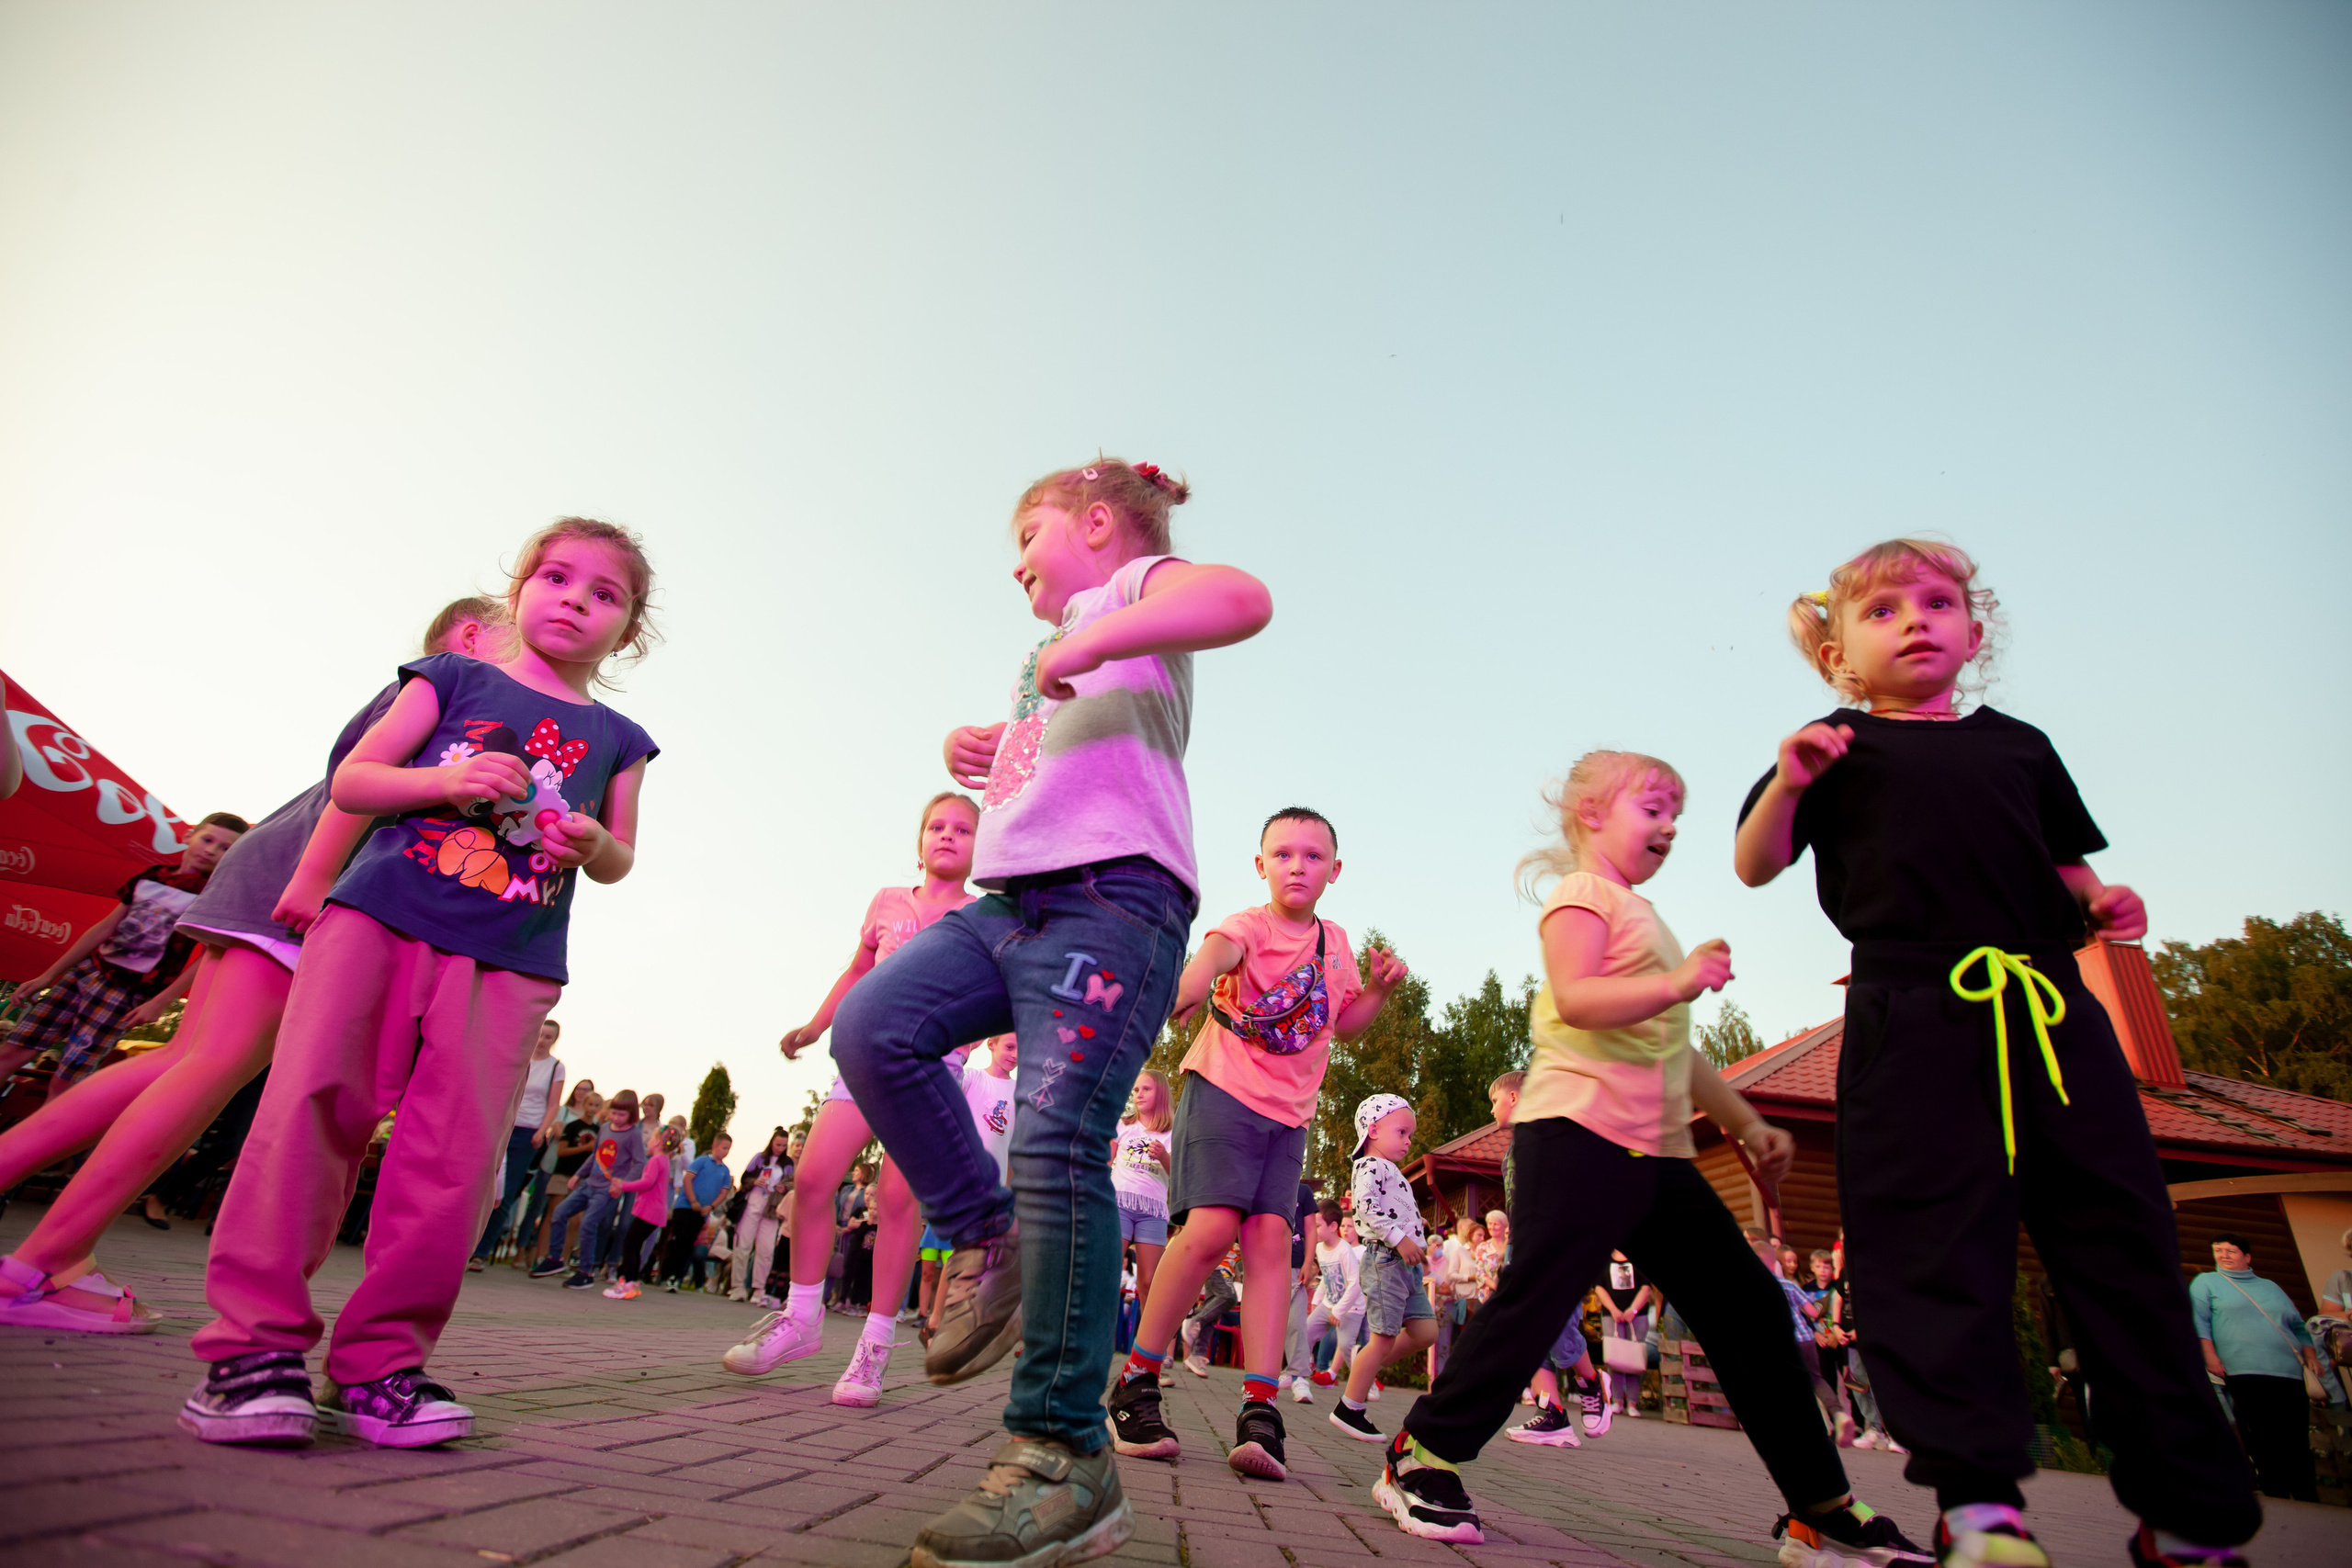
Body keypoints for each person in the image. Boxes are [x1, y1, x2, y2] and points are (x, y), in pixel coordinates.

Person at [1735, 539, 2258, 1568]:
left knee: (2121, 1244)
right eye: (1883, 611)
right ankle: (1978, 1502)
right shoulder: (1831, 744)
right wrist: (1786, 784)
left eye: (1939, 603)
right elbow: (1756, 864)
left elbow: (2065, 867)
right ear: (1839, 649)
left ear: (1975, 631)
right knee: (1931, 1252)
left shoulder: (2020, 745)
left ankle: (2184, 1510)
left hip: (2049, 1013)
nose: (1917, 620)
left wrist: (2100, 902)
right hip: (1912, 1011)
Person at [831, 457, 1272, 1568]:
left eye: (1027, 535)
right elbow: (1051, 744)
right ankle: (986, 1236)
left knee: (1057, 1142)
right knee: (874, 1029)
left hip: (1113, 899)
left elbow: (1244, 600)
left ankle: (1061, 1458)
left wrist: (1088, 639)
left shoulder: (1132, 594)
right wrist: (972, 749)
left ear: (1093, 525)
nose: (1016, 564)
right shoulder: (1053, 645)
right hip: (1013, 903)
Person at [1373, 751, 1923, 1568]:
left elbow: (1678, 1052)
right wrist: (1680, 981)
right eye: (1654, 807)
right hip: (1574, 1133)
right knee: (1540, 1295)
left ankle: (1819, 1505)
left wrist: (1747, 1124)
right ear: (1592, 813)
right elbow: (1578, 997)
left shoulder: (1644, 915)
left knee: (1749, 1308)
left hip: (1654, 1153)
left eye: (1677, 815)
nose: (1668, 826)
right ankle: (1419, 1452)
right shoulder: (1581, 896)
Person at [180, 517, 658, 1449]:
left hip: (511, 957)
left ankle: (379, 1367)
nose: (575, 599)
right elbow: (354, 782)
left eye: (605, 594)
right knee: (315, 1110)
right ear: (518, 590)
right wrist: (449, 782)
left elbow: (620, 858)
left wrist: (594, 841)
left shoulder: (623, 739)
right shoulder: (449, 679)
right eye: (556, 577)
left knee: (452, 1159)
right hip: (378, 922)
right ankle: (253, 1348)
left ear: (628, 629)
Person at [0, 599, 508, 1332]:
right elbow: (355, 782)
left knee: (180, 1060)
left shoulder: (447, 697)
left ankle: (46, 1245)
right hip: (303, 885)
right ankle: (42, 1263)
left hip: (272, 869)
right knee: (211, 1066)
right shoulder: (453, 681)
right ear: (469, 637)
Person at [1109, 805, 1408, 1480]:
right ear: (1260, 865)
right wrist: (1183, 987)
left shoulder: (1337, 941)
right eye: (1283, 854)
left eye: (1312, 854)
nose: (1297, 865)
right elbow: (1213, 955)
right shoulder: (1250, 924)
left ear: (1335, 869)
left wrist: (1382, 991)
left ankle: (1261, 1408)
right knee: (1212, 1228)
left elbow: (1347, 1021)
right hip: (1223, 1089)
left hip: (1290, 1115)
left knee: (1272, 1241)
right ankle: (1135, 1382)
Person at [719, 790, 981, 1406]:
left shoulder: (981, 915)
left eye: (963, 829)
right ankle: (801, 1319)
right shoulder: (887, 902)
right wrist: (815, 1026)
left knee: (897, 1198)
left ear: (979, 849)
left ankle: (873, 1349)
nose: (947, 835)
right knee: (812, 1181)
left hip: (932, 1067)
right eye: (936, 825)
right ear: (918, 842)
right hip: (865, 1056)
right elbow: (858, 970)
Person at [0, 811, 249, 1097]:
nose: (210, 850)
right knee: (11, 1053)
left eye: (225, 848)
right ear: (189, 836)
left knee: (68, 1079)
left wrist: (160, 1002)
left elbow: (210, 954)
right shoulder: (151, 877)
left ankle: (42, 1140)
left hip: (126, 993)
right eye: (207, 839)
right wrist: (48, 975)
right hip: (86, 974)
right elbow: (104, 928)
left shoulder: (214, 897)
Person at [1327, 1095, 1436, 1448]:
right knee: (1384, 1336)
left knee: (1426, 1331)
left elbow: (1392, 1210)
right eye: (1402, 1132)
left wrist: (1414, 1233)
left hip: (1405, 1263)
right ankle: (1350, 1406)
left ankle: (1366, 1362)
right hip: (1386, 1260)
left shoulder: (1390, 1169)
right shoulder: (1370, 1167)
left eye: (1410, 1135)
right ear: (1373, 1130)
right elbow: (1367, 1210)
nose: (1407, 1141)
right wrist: (1402, 1239)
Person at [2190, 1233, 2320, 1504]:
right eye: (2218, 1250)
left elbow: (2298, 1326)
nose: (2224, 1255)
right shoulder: (2206, 1282)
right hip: (2243, 1371)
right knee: (2261, 1434)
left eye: (2231, 1251)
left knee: (2295, 1436)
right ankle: (2277, 1493)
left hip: (2288, 1373)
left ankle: (2307, 1496)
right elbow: (2199, 1323)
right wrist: (2210, 1357)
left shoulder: (2271, 1287)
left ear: (2247, 1257)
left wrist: (2311, 1356)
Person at [468, 1019, 565, 1270]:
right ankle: (463, 1242)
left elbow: (554, 1104)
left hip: (527, 1132)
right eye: (540, 1034)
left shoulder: (556, 1068)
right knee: (479, 1183)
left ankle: (481, 1251)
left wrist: (541, 1131)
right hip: (501, 1125)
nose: (542, 1040)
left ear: (554, 1041)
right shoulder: (519, 1056)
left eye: (548, 1037)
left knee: (506, 1193)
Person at [536, 1089, 644, 1285]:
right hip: (589, 1184)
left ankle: (586, 1272)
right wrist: (578, 1174)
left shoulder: (633, 1135)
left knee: (588, 1224)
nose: (616, 1118)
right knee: (559, 1213)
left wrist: (623, 1184)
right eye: (614, 1113)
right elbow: (595, 1155)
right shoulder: (604, 1128)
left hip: (607, 1190)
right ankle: (555, 1259)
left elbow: (639, 1163)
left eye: (622, 1114)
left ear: (632, 1114)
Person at [1106, 1070, 1175, 1376]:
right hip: (1119, 1202)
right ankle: (1096, 1346)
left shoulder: (1173, 1131)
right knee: (1109, 1274)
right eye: (1135, 1089)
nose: (1138, 1093)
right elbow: (1106, 1160)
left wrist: (1164, 1158)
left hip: (1154, 1209)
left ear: (1160, 1093)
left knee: (1149, 1283)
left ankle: (1146, 1357)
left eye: (1145, 1088)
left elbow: (1179, 1173)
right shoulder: (1124, 1126)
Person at [604, 1125, 677, 1301]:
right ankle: (632, 1282)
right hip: (654, 1211)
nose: (649, 1143)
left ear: (658, 1142)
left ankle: (627, 1284)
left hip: (649, 1211)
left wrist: (623, 1185)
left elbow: (647, 1182)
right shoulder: (664, 1160)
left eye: (651, 1139)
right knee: (634, 1245)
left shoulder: (656, 1160)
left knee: (630, 1244)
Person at [729, 1128, 794, 1304]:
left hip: (771, 1208)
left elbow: (791, 1184)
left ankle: (759, 1288)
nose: (780, 1148)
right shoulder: (760, 1158)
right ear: (772, 1142)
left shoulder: (787, 1163)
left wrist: (783, 1187)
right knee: (743, 1245)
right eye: (777, 1144)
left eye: (783, 1145)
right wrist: (755, 1181)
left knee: (765, 1250)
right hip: (754, 1202)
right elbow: (745, 1178)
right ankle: (738, 1287)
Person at [666, 1132, 733, 1291]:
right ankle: (669, 1274)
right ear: (714, 1146)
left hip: (702, 1212)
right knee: (680, 1239)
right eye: (723, 1148)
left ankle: (677, 1277)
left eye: (728, 1149)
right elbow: (687, 1179)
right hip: (685, 1207)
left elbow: (723, 1193)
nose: (725, 1151)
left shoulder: (725, 1171)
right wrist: (693, 1201)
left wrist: (710, 1207)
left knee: (689, 1243)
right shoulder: (702, 1161)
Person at [1599, 1249, 1653, 1417]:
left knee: (1634, 1358)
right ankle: (1617, 1401)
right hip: (1611, 1315)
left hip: (1637, 1316)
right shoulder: (1604, 1258)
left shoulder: (1638, 1258)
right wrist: (1614, 1310)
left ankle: (1633, 1402)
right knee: (1615, 1358)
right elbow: (1599, 1287)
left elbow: (1646, 1287)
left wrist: (1633, 1309)